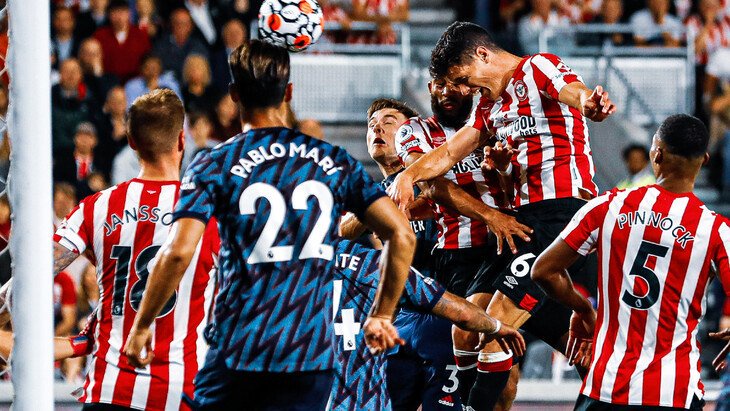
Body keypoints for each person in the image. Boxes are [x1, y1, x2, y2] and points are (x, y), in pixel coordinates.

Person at [124, 40, 416, 409]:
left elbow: (178, 252)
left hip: (239, 348)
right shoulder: (333, 161)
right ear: (288, 92)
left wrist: (142, 325)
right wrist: (382, 315)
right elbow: (402, 234)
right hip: (309, 354)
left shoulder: (215, 163)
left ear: (234, 95)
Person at [388, 21, 615, 410]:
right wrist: (407, 176)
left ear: (482, 55)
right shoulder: (489, 107)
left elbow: (573, 92)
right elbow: (448, 153)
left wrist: (589, 103)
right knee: (469, 327)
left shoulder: (537, 67)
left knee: (495, 328)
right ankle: (600, 371)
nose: (464, 90)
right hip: (522, 224)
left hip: (562, 214)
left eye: (463, 79)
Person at [531, 114, 725, 410]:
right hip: (673, 391)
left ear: (656, 154)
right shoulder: (715, 230)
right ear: (705, 160)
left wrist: (583, 309)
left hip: (606, 388)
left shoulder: (606, 207)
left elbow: (543, 271)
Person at [52, 89, 220, 410]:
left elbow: (34, 273)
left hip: (109, 389)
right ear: (182, 140)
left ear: (131, 141)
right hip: (180, 391)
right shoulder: (210, 214)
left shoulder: (96, 207)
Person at [395, 75, 530, 408]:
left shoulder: (494, 125)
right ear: (430, 88)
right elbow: (432, 185)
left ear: (471, 87)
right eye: (439, 84)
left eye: (455, 83)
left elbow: (516, 189)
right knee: (460, 354)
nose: (447, 91)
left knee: (507, 373)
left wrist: (503, 171)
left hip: (505, 248)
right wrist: (489, 215)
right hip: (457, 256)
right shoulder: (415, 131)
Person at [331, 238, 525, 411]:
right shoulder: (373, 261)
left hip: (404, 327)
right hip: (443, 318)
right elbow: (462, 314)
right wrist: (496, 325)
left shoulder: (314, 268)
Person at [339, 98, 438, 278]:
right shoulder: (376, 191)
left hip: (448, 280)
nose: (377, 128)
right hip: (407, 289)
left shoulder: (429, 173)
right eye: (372, 125)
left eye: (388, 122)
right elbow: (342, 230)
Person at [93, 0, 151, 82]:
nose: (119, 17)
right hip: (108, 81)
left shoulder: (140, 35)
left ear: (129, 14)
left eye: (122, 12)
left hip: (136, 81)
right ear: (109, 15)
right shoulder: (100, 36)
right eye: (115, 13)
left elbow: (147, 59)